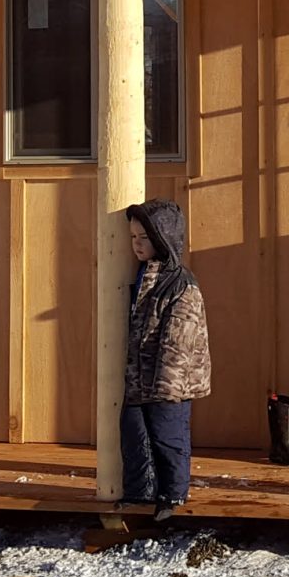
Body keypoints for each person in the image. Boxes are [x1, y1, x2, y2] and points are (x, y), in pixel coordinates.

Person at [120, 199, 208, 519]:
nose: (137, 245)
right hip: (140, 377)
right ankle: (140, 492)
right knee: (135, 432)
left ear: (163, 238)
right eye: (133, 238)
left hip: (170, 380)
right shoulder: (145, 275)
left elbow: (179, 341)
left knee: (168, 436)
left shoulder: (181, 284)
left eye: (144, 238)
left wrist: (166, 386)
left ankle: (172, 495)